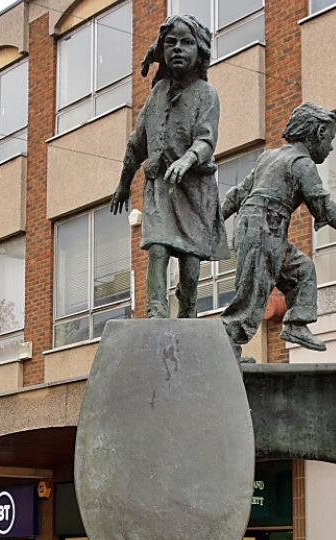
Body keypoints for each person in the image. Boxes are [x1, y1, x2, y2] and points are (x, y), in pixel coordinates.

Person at [220, 102, 336, 357]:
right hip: (264, 227)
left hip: (264, 227)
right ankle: (224, 354)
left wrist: (217, 220)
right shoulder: (301, 164)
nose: (331, 147)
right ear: (317, 135)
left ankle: (295, 324)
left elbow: (237, 194)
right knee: (252, 293)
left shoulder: (269, 157)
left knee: (302, 271)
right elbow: (324, 206)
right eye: (330, 139)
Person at [111, 14, 229, 318]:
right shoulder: (156, 94)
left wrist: (188, 158)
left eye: (186, 42)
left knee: (190, 267)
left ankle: (187, 314)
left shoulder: (206, 94)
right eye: (170, 42)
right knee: (159, 247)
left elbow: (206, 140)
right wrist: (124, 183)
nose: (177, 48)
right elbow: (137, 142)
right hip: (161, 185)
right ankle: (156, 312)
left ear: (199, 50)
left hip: (194, 189)